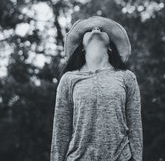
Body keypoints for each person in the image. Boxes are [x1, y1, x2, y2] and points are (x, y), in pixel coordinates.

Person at [50, 15, 143, 161]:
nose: (96, 28)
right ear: (82, 47)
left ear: (110, 46)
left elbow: (135, 128)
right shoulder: (68, 79)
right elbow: (60, 131)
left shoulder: (127, 77)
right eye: (89, 30)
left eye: (101, 29)